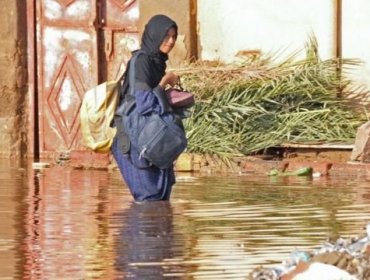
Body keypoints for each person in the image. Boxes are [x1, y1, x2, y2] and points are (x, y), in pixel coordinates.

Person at [111, 14, 180, 202]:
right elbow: (144, 103)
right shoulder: (141, 61)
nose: (171, 41)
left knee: (160, 201)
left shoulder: (157, 62)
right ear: (155, 36)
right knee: (148, 201)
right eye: (166, 37)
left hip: (151, 139)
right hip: (134, 142)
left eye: (174, 37)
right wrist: (165, 82)